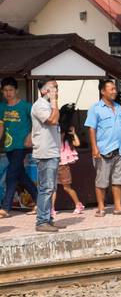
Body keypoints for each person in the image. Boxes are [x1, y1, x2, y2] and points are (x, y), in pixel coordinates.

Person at [84, 77, 121, 217]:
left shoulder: (118, 107)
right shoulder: (95, 108)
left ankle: (118, 207)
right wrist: (94, 148)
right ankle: (101, 207)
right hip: (103, 150)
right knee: (101, 181)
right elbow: (91, 129)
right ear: (102, 91)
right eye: (111, 89)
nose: (114, 91)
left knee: (118, 180)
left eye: (115, 89)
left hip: (120, 149)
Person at [1, 76, 38, 217]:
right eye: (5, 90)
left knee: (11, 174)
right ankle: (40, 202)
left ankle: (5, 208)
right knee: (20, 175)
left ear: (16, 90)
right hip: (9, 146)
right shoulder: (1, 107)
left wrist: (30, 135)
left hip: (22, 145)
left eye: (10, 90)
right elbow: (1, 127)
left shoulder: (26, 106)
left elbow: (37, 123)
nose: (8, 93)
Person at [29, 78, 61, 233]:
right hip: (45, 153)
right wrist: (54, 102)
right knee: (46, 188)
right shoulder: (40, 105)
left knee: (51, 188)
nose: (56, 91)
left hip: (52, 151)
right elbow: (53, 120)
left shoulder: (49, 105)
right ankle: (41, 221)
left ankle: (48, 219)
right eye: (53, 88)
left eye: (57, 88)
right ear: (43, 91)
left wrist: (54, 103)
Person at [56, 106, 85, 215]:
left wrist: (73, 134)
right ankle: (51, 209)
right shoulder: (56, 138)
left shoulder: (66, 142)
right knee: (53, 188)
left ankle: (78, 204)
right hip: (55, 163)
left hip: (63, 165)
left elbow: (77, 144)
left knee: (66, 188)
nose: (61, 134)